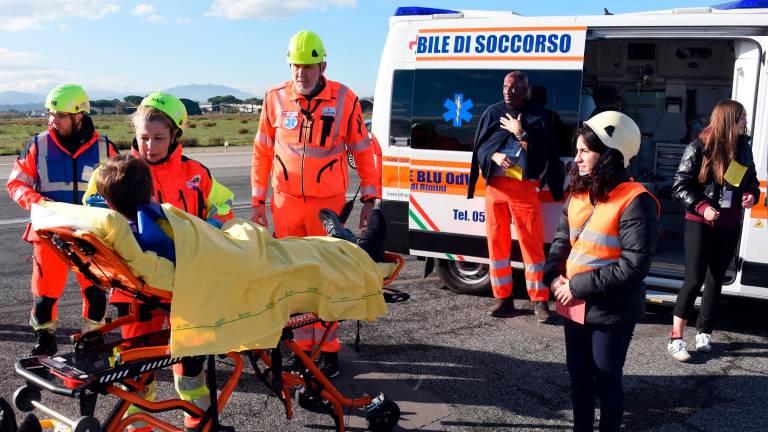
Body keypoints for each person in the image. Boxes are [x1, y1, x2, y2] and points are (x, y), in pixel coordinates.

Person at [84, 92, 234, 432]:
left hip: (187, 286)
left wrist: (216, 226)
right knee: (139, 372)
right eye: (143, 138)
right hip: (135, 290)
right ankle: (140, 428)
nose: (149, 145)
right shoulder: (111, 172)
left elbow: (221, 208)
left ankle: (199, 424)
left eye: (158, 138)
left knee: (191, 372)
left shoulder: (196, 173)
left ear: (176, 135)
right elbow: (94, 218)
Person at [250, 30, 380, 377]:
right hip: (285, 202)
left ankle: (327, 348)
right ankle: (298, 345)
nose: (301, 74)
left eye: (309, 66)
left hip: (327, 205)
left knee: (325, 278)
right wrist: (257, 199)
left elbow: (362, 150)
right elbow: (262, 151)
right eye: (296, 66)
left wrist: (370, 197)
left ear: (323, 65)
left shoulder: (344, 99)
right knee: (292, 277)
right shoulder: (274, 98)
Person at [543, 111, 659, 432]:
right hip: (574, 305)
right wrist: (553, 275)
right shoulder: (579, 192)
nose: (577, 157)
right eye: (577, 149)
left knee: (607, 383)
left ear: (609, 154)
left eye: (585, 151)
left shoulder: (636, 201)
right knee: (579, 382)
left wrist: (576, 286)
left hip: (611, 310)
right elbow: (560, 242)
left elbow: (634, 267)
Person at [5, 83, 118, 356]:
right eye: (50, 114)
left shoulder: (105, 147)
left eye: (60, 115)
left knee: (95, 294)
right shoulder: (36, 144)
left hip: (89, 235)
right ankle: (44, 340)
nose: (52, 120)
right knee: (44, 297)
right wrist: (39, 202)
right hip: (49, 234)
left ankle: (92, 339)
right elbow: (16, 184)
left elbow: (118, 188)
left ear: (79, 116)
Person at [467, 71, 564, 321]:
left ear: (525, 90)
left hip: (523, 189)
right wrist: (494, 156)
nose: (508, 92)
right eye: (505, 87)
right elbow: (480, 148)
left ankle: (540, 300)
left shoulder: (538, 115)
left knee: (532, 246)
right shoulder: (492, 112)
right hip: (496, 187)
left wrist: (520, 132)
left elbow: (544, 154)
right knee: (496, 246)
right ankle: (503, 298)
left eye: (514, 88)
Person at [667, 100, 759, 362]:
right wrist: (702, 206)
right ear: (729, 120)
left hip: (729, 223)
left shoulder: (743, 148)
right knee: (694, 279)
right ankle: (676, 337)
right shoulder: (699, 147)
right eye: (742, 118)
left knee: (716, 277)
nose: (745, 122)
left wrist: (751, 195)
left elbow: (750, 180)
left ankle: (704, 331)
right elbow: (680, 186)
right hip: (700, 221)